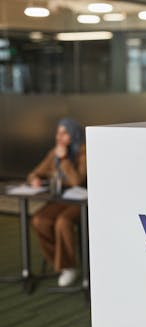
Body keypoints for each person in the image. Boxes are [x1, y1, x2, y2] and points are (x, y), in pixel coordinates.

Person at [28, 118, 86, 287]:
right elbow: (34, 173)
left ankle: (68, 267)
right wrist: (35, 179)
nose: (59, 137)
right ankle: (59, 264)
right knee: (39, 220)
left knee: (63, 222)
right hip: (59, 200)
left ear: (74, 135)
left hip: (80, 202)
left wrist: (65, 159)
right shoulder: (54, 153)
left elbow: (76, 181)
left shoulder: (84, 153)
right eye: (58, 132)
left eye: (64, 133)